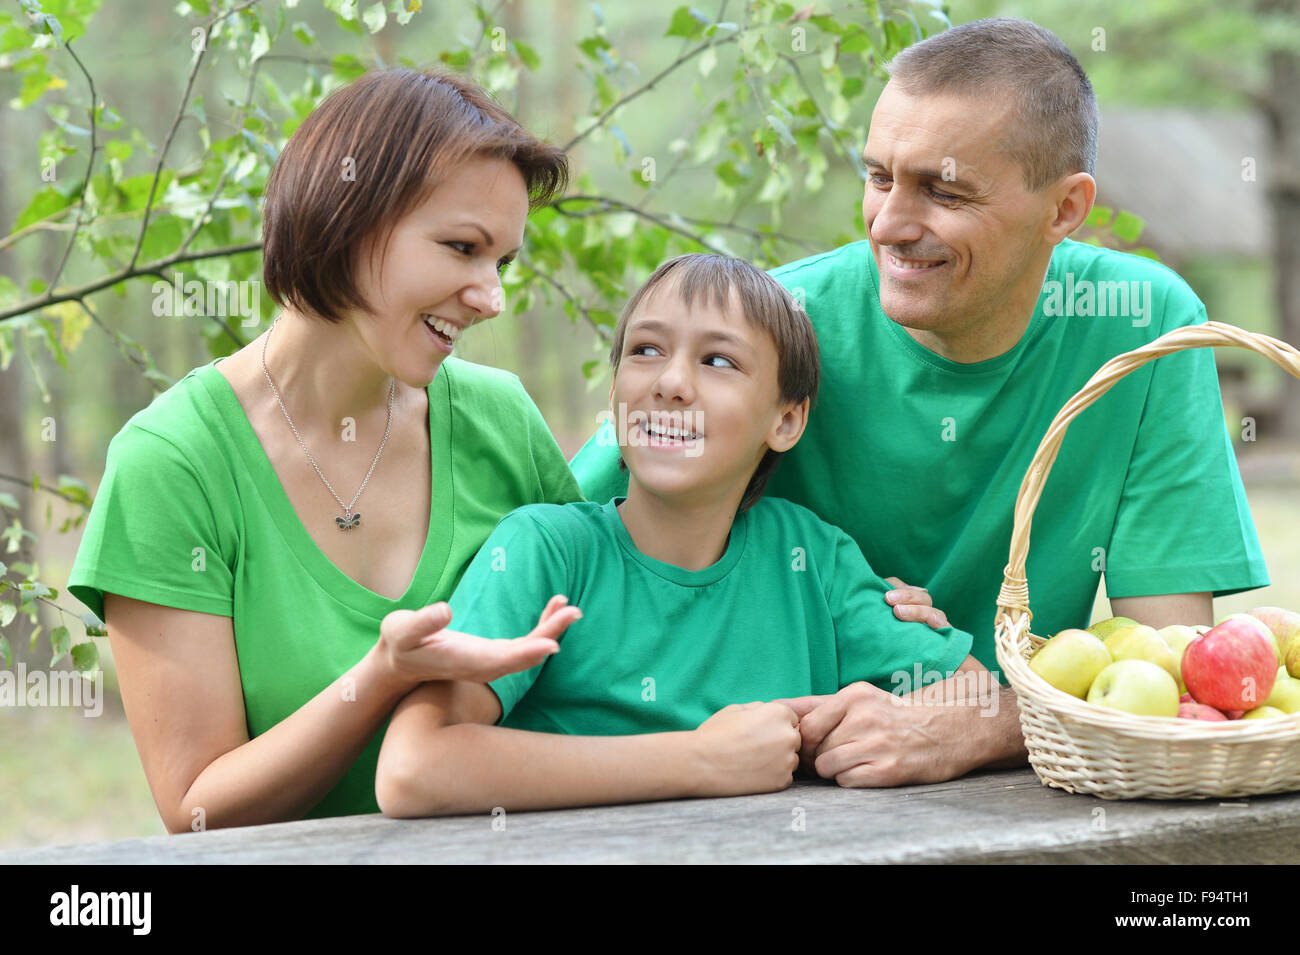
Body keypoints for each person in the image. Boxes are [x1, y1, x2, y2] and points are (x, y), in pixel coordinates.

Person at [565, 18, 1270, 787]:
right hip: (744, 783)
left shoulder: (1145, 324)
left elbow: (1166, 659)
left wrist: (977, 725)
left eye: (943, 189)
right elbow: (572, 536)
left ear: (1063, 210)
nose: (889, 225)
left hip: (1006, 799)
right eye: (877, 177)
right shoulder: (770, 328)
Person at [66, 69, 587, 832]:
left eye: (501, 262)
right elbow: (197, 804)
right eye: (462, 248)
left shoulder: (502, 419)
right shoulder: (172, 463)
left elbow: (612, 641)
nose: (491, 296)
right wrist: (380, 678)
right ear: (348, 218)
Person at [375, 253, 987, 817]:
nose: (670, 383)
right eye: (645, 350)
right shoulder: (546, 552)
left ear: (786, 418)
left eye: (718, 361)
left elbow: (976, 694)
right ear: (614, 392)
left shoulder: (811, 560)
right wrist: (700, 760)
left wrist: (870, 720)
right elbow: (413, 769)